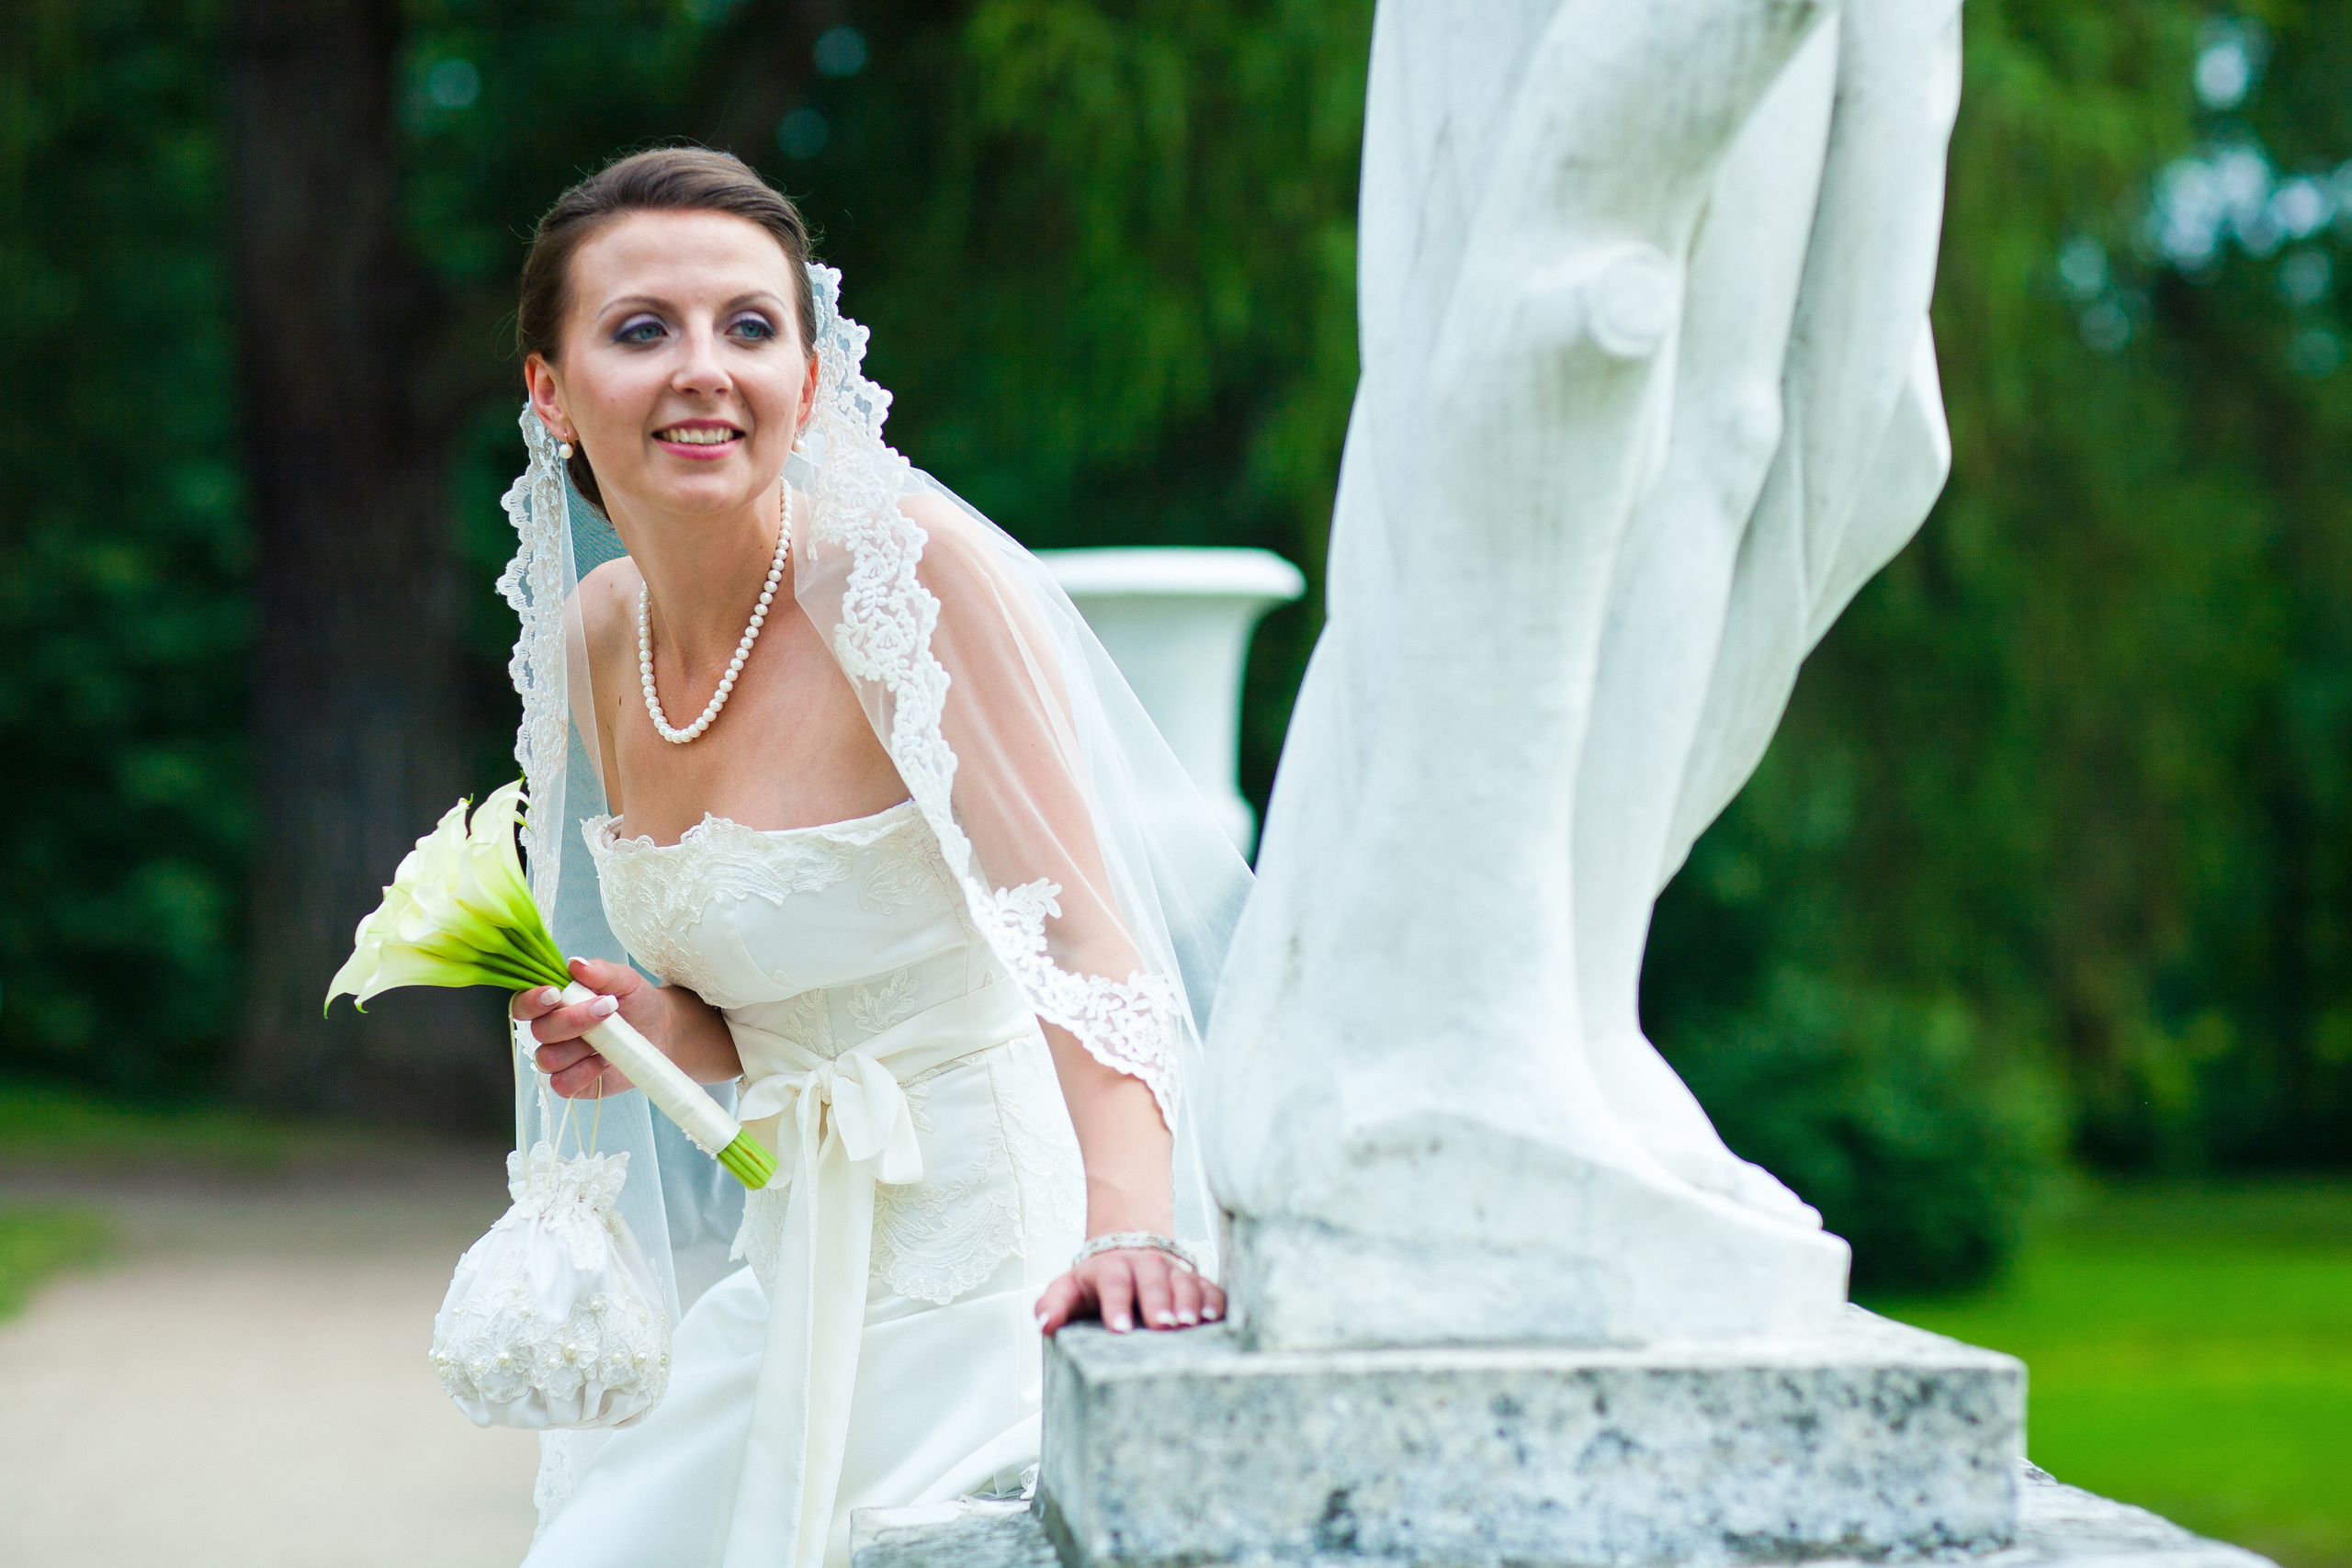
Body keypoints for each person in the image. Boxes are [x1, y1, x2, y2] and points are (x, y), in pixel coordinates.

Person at [492, 147, 1249, 1567]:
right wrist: (654, 1028)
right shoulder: (594, 635)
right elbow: (775, 1005)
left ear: (812, 376)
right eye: (643, 328)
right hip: (794, 1277)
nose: (704, 369)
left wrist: (1128, 1234)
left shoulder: (903, 575)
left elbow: (1087, 944)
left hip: (997, 1277)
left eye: (752, 327)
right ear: (552, 387)